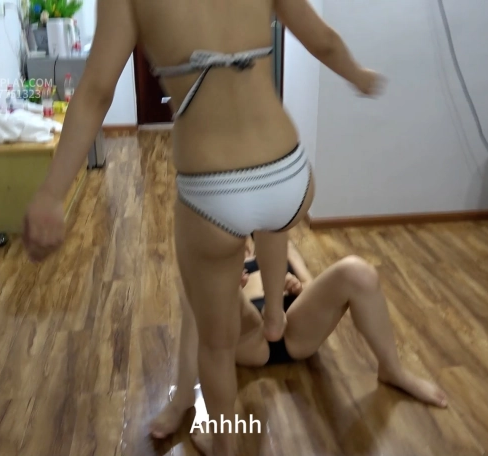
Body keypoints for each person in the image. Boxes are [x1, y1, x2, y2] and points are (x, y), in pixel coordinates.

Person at [22, 0, 383, 454]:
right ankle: (275, 311)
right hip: (288, 174)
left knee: (215, 342)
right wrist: (359, 76)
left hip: (214, 189)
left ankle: (225, 443)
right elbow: (324, 41)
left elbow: (96, 91)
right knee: (274, 221)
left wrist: (51, 193)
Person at [149, 238, 448, 454]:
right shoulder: (222, 248)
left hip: (292, 328)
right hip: (248, 335)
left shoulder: (283, 246)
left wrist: (296, 285)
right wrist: (227, 287)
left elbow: (309, 283)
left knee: (358, 271)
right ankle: (182, 401)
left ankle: (392, 369)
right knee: (200, 285)